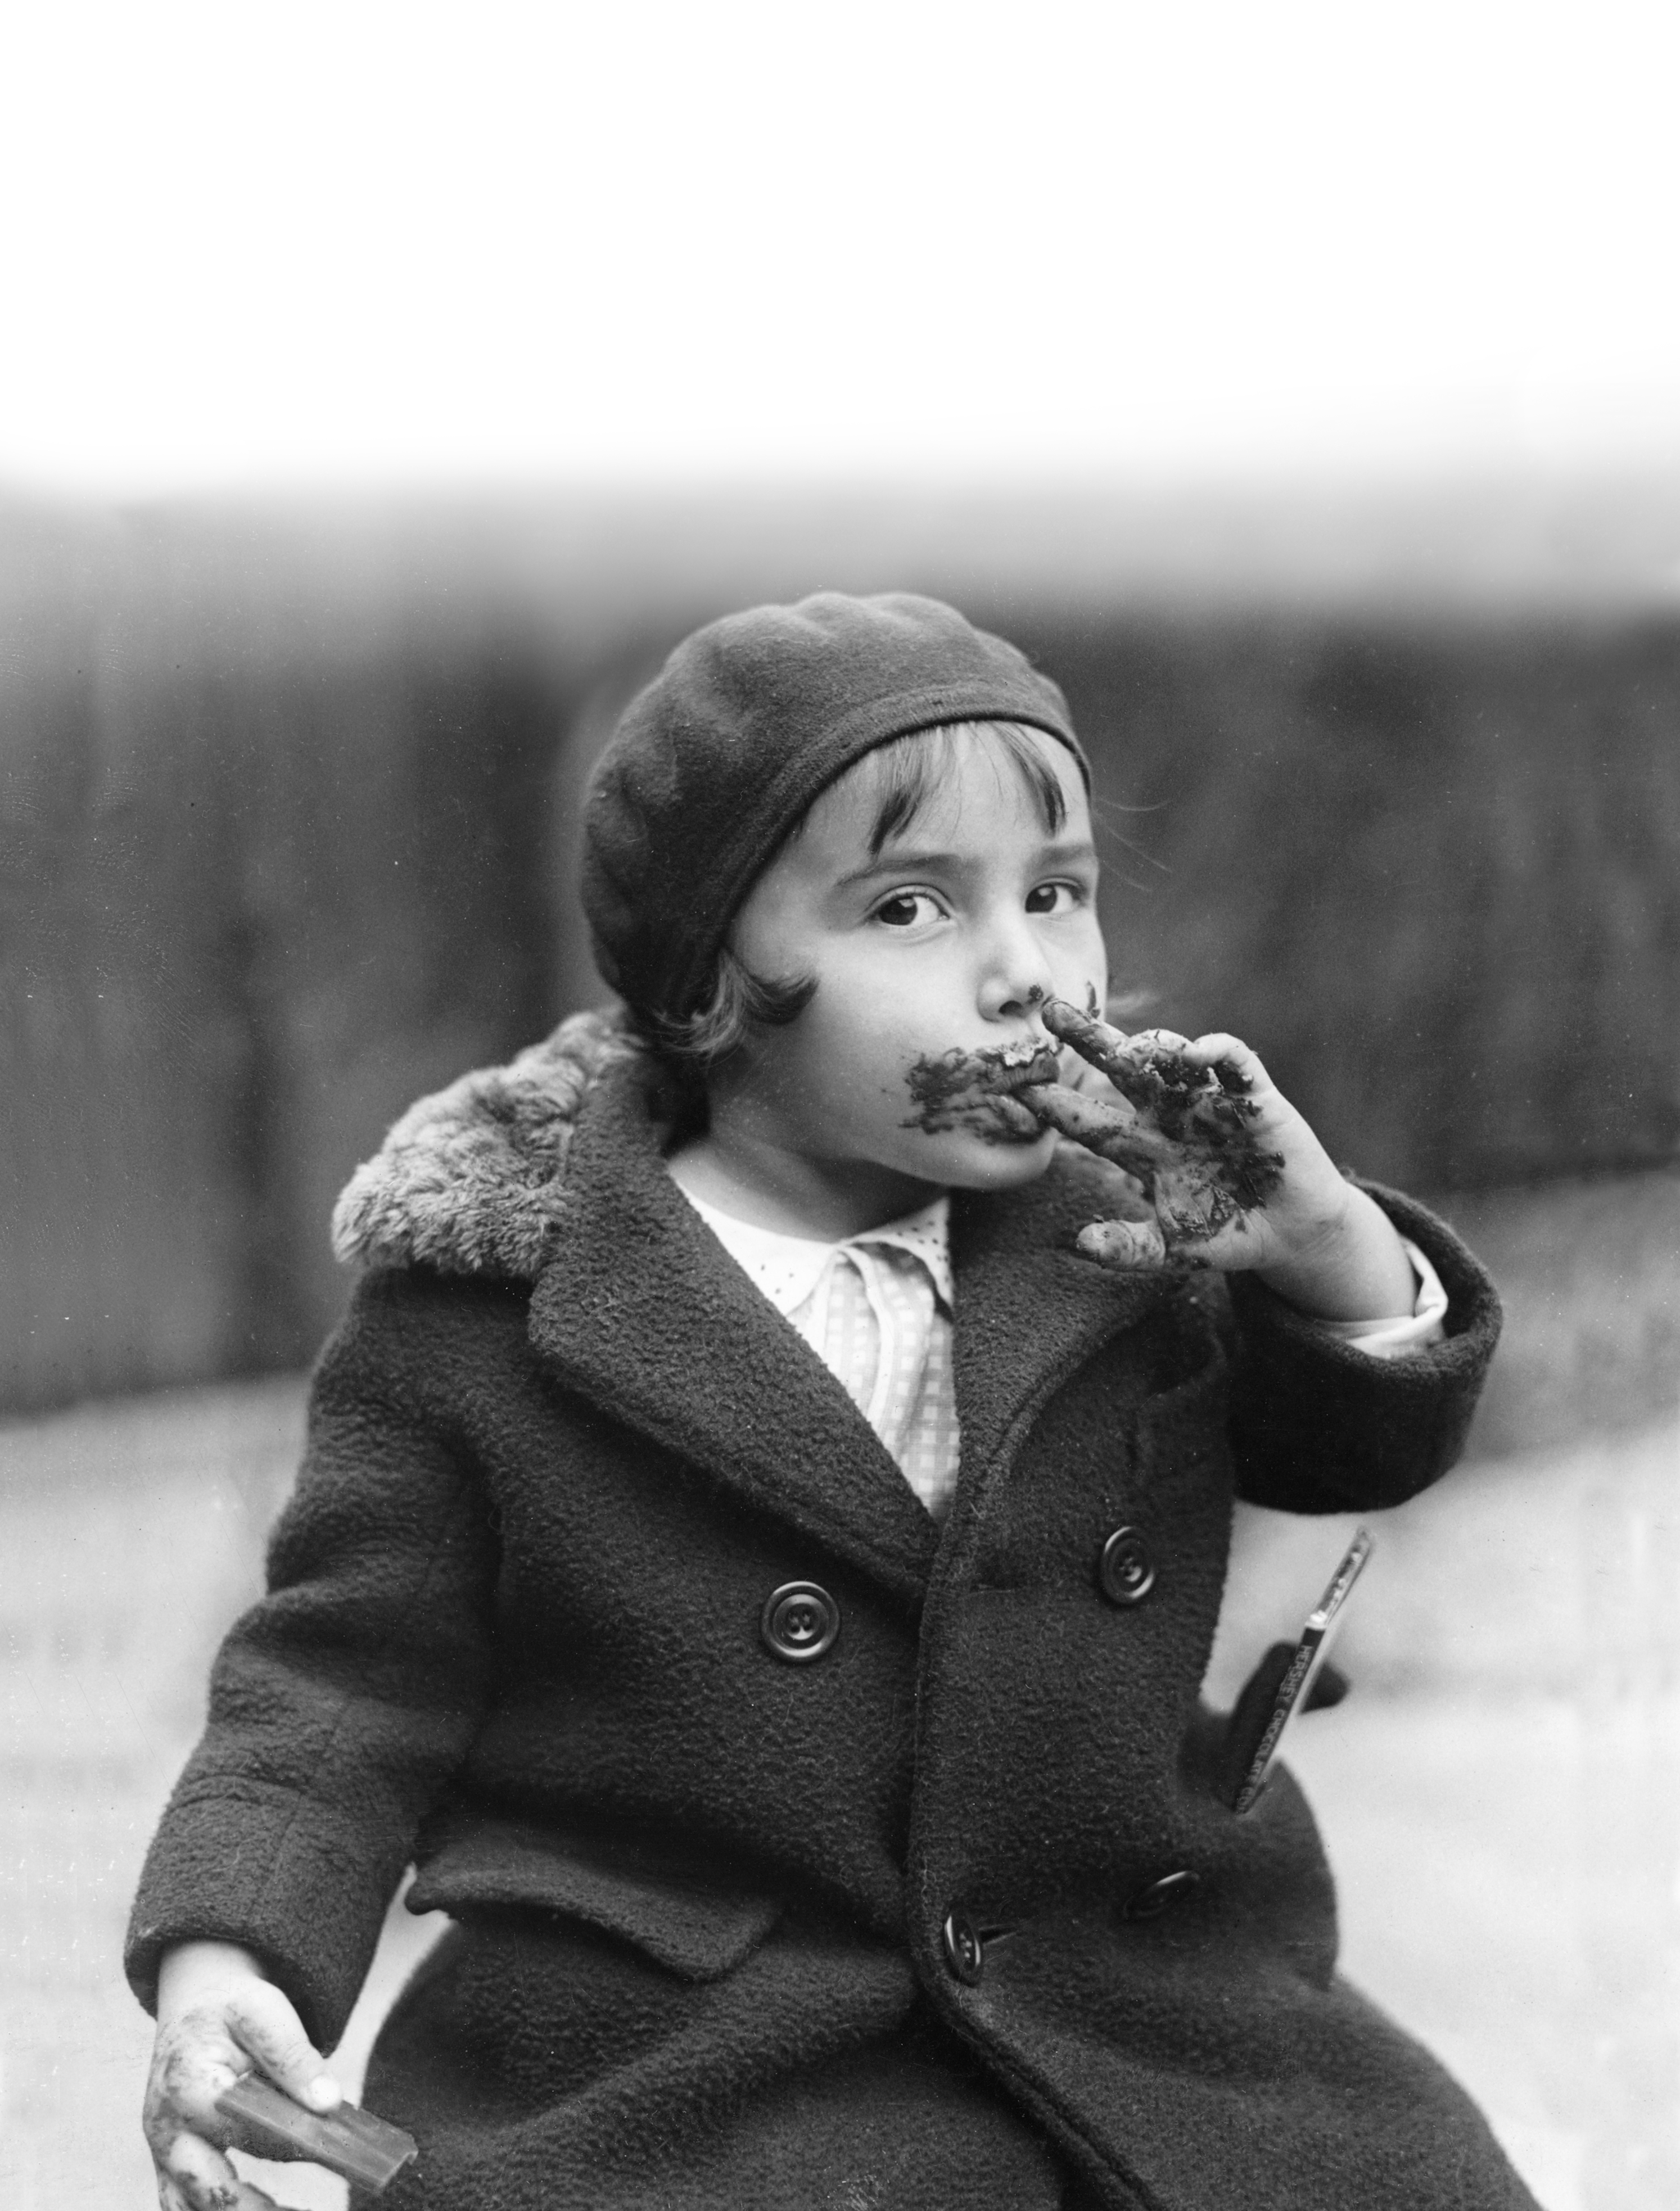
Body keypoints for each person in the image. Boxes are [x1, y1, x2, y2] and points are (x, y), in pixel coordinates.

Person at [129, 593, 1536, 2211]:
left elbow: (1346, 1450)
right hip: (694, 2062)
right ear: (714, 973)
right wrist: (226, 1962)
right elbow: (337, 1688)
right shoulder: (494, 1309)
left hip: (1140, 2006)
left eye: (1057, 892)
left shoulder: (1126, 1235)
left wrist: (1331, 1257)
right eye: (912, 906)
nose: (1026, 975)